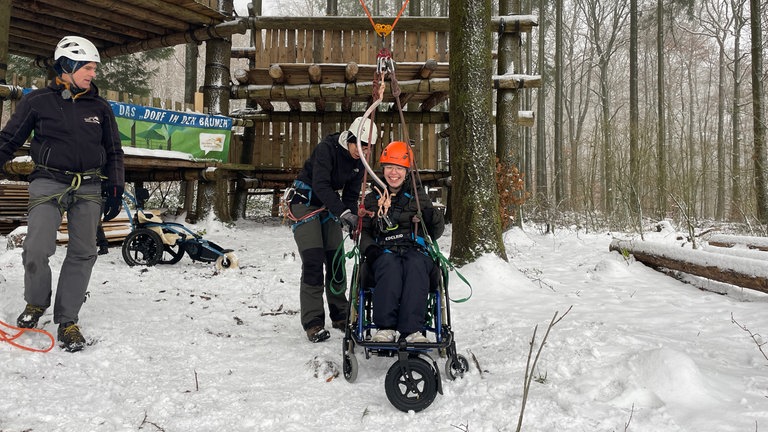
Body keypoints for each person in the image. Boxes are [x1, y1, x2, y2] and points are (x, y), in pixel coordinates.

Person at [0, 36, 125, 352]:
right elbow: (8, 140)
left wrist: (115, 186)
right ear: (66, 67)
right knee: (37, 247)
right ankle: (36, 302)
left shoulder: (100, 107)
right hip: (48, 181)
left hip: (90, 186)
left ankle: (68, 319)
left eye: (94, 67)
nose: (92, 73)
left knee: (84, 252)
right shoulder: (37, 101)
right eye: (86, 67)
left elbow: (114, 150)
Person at [288, 117, 378, 343]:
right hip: (305, 200)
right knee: (313, 259)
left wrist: (351, 217)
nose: (362, 152)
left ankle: (340, 314)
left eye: (367, 149)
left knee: (336, 257)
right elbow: (321, 185)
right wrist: (342, 213)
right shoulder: (326, 150)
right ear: (349, 139)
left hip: (329, 206)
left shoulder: (360, 163)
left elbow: (349, 194)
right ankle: (313, 322)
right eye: (359, 146)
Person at [358, 141, 445, 343]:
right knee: (390, 266)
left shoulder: (418, 196)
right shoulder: (373, 199)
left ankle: (413, 330)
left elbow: (436, 232)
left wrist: (431, 214)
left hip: (415, 249)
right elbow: (365, 233)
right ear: (383, 169)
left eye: (399, 168)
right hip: (384, 251)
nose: (393, 173)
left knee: (415, 265)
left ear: (407, 171)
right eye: (389, 167)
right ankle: (385, 328)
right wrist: (370, 249)